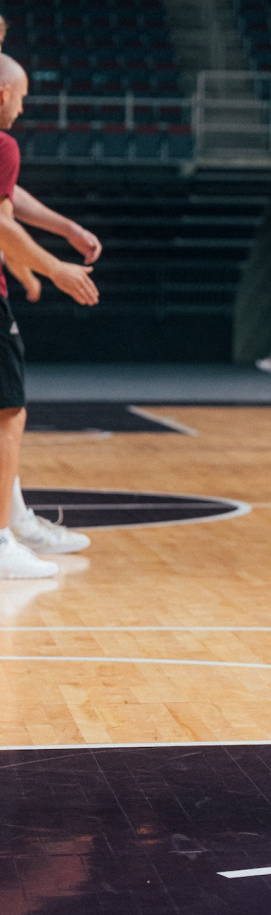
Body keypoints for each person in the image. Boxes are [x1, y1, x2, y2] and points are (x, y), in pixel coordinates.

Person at [0, 56, 99, 578]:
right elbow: (1, 219)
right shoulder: (4, 143)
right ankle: (2, 538)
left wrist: (63, 231)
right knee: (8, 412)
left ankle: (14, 519)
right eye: (20, 96)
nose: (23, 106)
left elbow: (8, 198)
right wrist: (54, 267)